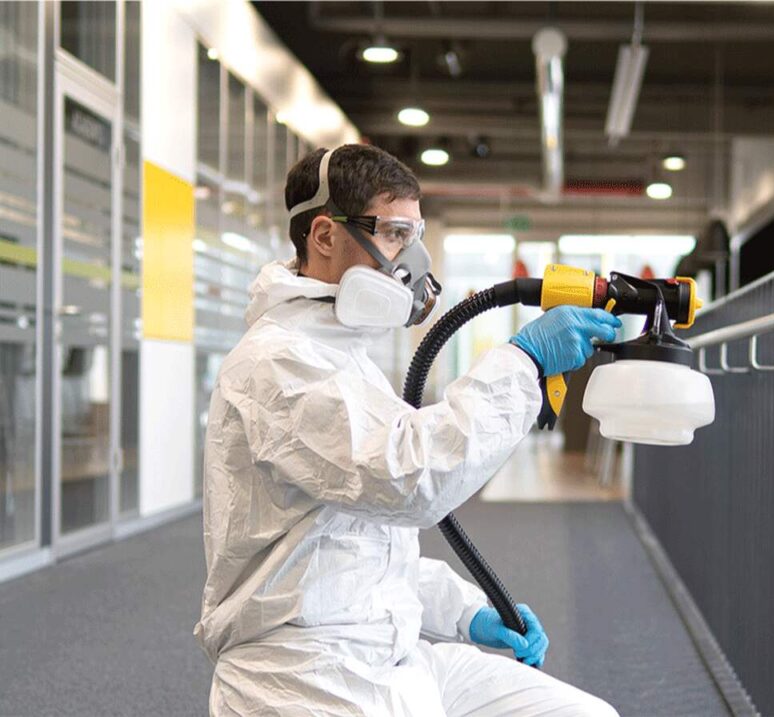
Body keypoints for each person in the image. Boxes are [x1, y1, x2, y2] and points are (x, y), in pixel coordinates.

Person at [195, 144, 621, 716]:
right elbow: (408, 479)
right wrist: (523, 362)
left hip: (390, 652)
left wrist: (466, 611)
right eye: (396, 233)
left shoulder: (344, 356)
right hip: (304, 673)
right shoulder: (277, 365)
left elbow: (360, 547)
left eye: (414, 235)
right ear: (324, 235)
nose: (410, 260)